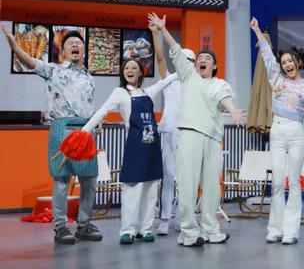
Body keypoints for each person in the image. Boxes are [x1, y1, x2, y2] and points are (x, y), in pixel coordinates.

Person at [148, 13, 244, 247]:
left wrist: (233, 111)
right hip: (189, 133)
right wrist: (163, 30)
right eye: (199, 58)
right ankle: (189, 232)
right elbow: (175, 51)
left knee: (211, 188)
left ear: (214, 65)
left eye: (206, 58)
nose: (202, 60)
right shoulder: (188, 76)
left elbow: (225, 98)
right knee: (188, 185)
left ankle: (211, 229)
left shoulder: (220, 84)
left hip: (212, 138)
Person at [1, 27, 101, 245]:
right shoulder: (53, 70)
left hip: (85, 130)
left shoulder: (89, 77)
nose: (75, 45)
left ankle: (84, 225)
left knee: (90, 179)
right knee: (62, 180)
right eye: (70, 43)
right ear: (62, 51)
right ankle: (61, 227)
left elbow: (87, 104)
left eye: (78, 43)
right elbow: (30, 62)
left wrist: (95, 121)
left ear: (84, 49)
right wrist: (14, 45)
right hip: (62, 127)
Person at [82, 58, 177, 244]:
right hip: (135, 147)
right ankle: (127, 230)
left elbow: (166, 80)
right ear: (123, 72)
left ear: (140, 72)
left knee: (151, 189)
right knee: (132, 189)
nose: (130, 70)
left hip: (152, 148)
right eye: (127, 68)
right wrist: (84, 131)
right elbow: (102, 111)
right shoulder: (119, 92)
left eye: (134, 68)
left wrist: (184, 68)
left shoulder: (147, 92)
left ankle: (145, 229)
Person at [250, 17, 304, 245]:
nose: (287, 65)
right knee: (278, 183)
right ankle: (275, 229)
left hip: (297, 133)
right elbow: (267, 54)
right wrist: (257, 30)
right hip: (278, 131)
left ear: (298, 62)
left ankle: (291, 231)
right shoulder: (276, 78)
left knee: (294, 183)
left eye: (290, 61)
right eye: (284, 62)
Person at [149, 22, 193, 236]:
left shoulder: (199, 84)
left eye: (190, 61)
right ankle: (165, 219)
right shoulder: (170, 79)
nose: (186, 63)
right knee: (167, 177)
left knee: (187, 180)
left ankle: (184, 218)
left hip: (190, 135)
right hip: (169, 132)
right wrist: (155, 33)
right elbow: (160, 58)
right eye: (183, 59)